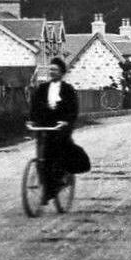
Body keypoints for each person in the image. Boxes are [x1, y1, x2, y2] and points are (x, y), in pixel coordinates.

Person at [29, 57, 79, 203]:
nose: (52, 72)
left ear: (62, 72)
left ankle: (60, 179)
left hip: (61, 126)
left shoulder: (68, 90)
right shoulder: (42, 88)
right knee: (42, 157)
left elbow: (73, 109)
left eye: (55, 69)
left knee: (57, 154)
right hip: (45, 125)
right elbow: (35, 106)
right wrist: (32, 120)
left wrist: (66, 121)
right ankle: (47, 188)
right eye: (50, 69)